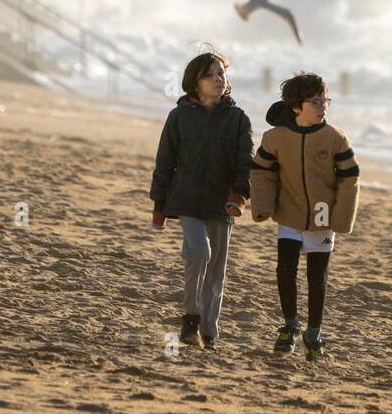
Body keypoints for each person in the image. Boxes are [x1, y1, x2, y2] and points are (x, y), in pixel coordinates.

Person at [250, 73, 360, 360]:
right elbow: (262, 172)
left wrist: (342, 218)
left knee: (316, 276)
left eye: (325, 100)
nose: (323, 106)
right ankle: (289, 326)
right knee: (284, 270)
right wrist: (262, 205)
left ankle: (314, 332)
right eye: (316, 101)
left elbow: (350, 179)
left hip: (323, 217)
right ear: (297, 106)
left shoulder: (335, 138)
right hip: (290, 213)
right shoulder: (275, 138)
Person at [149, 51, 253, 349]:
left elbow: (245, 162)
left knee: (216, 271)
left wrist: (239, 196)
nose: (217, 79)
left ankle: (208, 331)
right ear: (195, 83)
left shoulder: (238, 119)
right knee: (199, 253)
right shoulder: (179, 117)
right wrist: (159, 206)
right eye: (209, 75)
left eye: (220, 73)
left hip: (223, 204)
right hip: (188, 201)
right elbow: (164, 162)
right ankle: (190, 319)